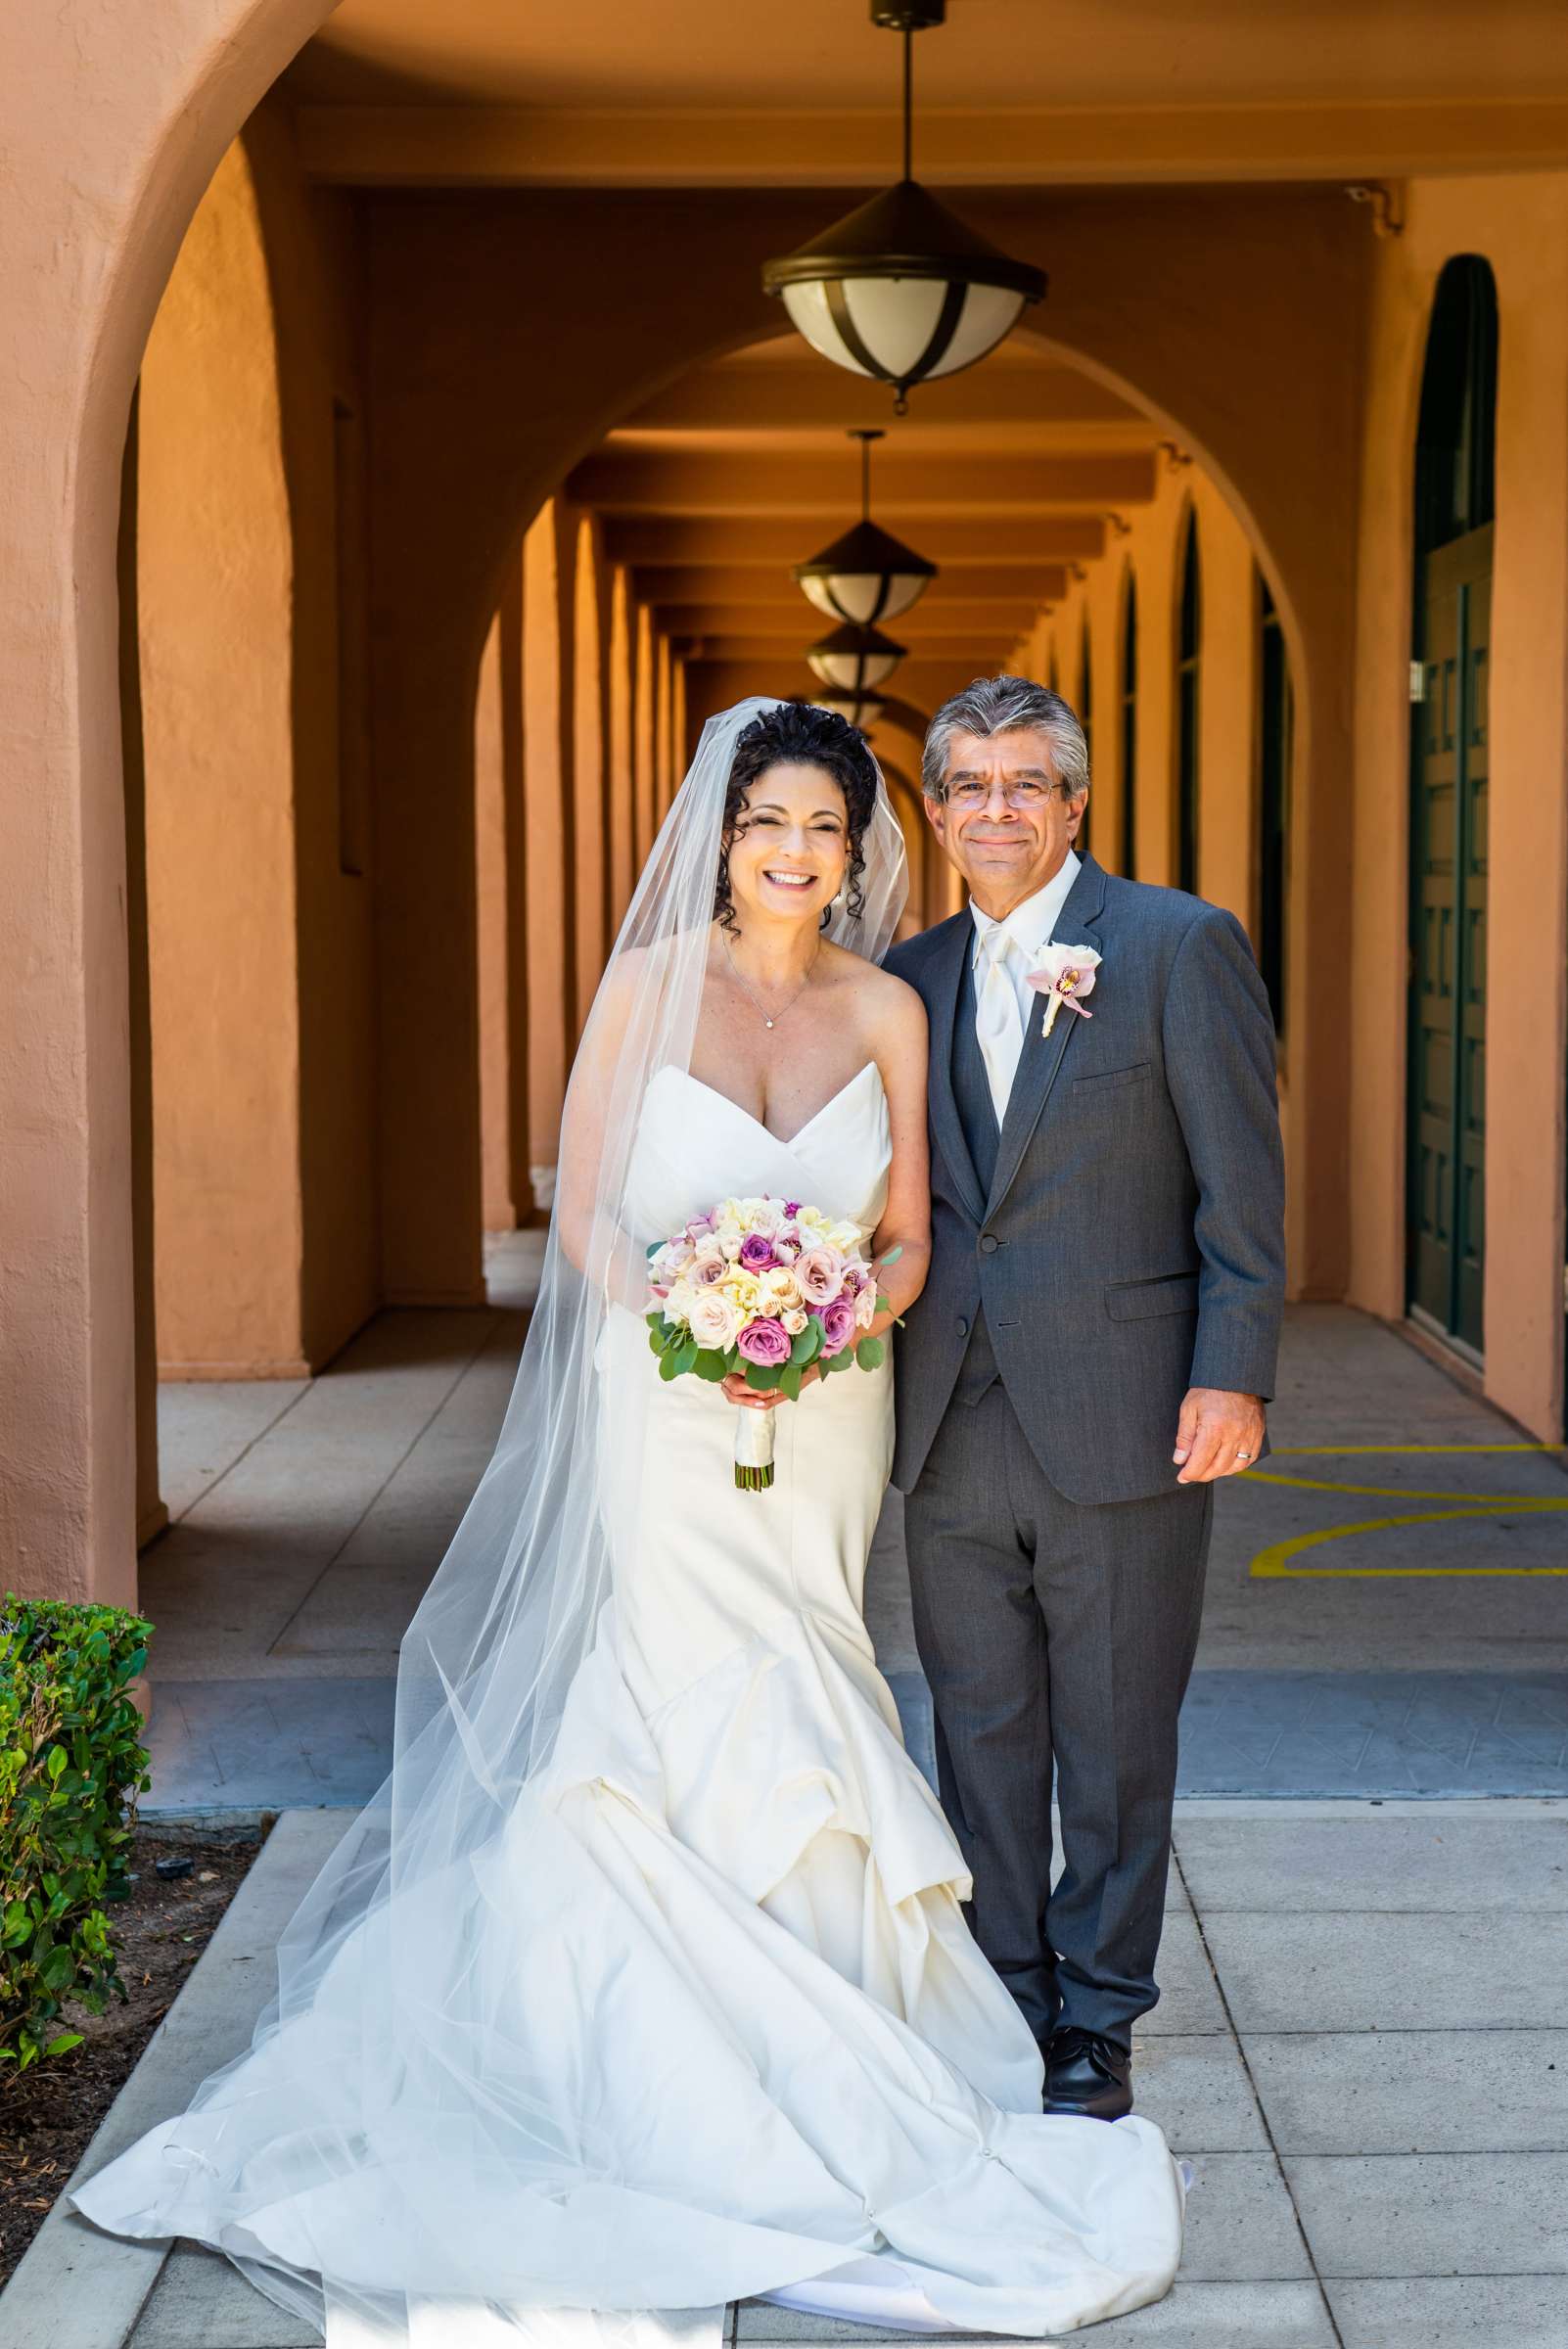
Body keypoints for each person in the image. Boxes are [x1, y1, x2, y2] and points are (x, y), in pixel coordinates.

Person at [70, 698, 1185, 2345]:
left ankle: (823, 2002)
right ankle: (651, 2033)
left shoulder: (890, 1006)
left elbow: (906, 1236)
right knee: (665, 1671)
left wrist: (819, 1320)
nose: (799, 855)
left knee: (809, 1658)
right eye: (768, 827)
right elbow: (589, 1202)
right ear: (721, 841)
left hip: (819, 1407)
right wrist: (693, 1311)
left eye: (827, 829)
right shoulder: (642, 993)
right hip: (664, 1398)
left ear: (861, 848)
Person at [887, 675, 1285, 2124]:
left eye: (1022, 786)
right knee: (977, 1724)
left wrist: (1232, 1368)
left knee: (1115, 1734)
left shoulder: (1175, 946)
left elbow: (1241, 1182)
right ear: (935, 813)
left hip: (1124, 1411)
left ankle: (1096, 2017)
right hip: (940, 1416)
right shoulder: (905, 975)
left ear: (1072, 805)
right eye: (968, 788)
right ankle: (1002, 1991)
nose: (996, 811)